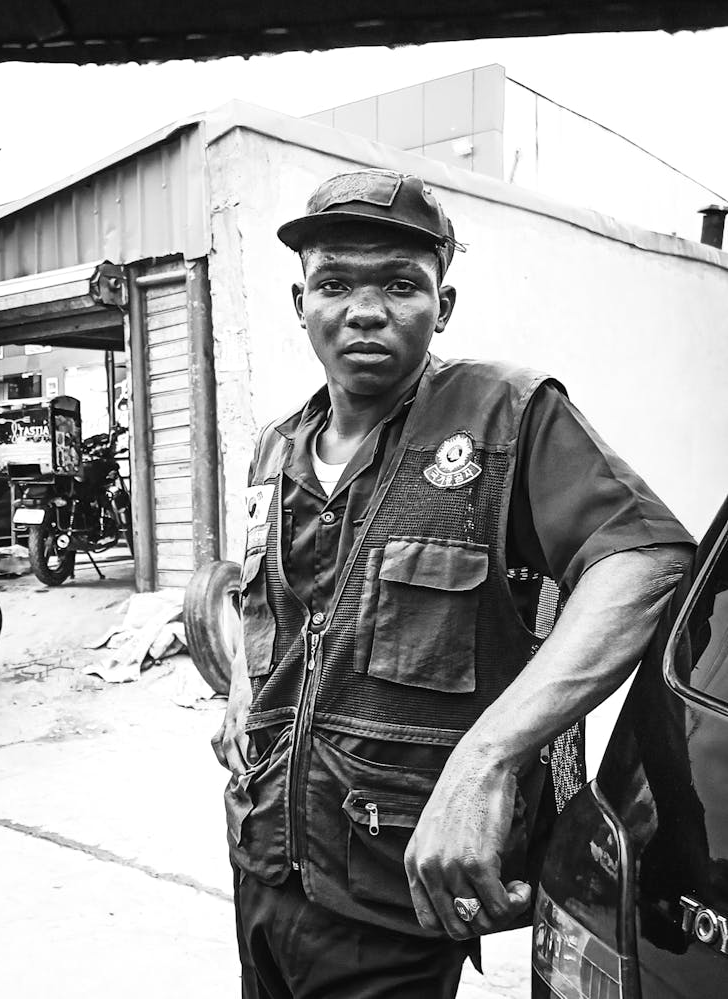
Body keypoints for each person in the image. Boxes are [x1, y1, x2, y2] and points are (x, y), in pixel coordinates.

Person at [212, 168, 694, 998]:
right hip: (260, 861)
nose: (364, 309)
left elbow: (645, 563)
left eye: (401, 284)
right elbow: (267, 601)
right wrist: (243, 685)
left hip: (390, 897)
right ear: (301, 304)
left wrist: (489, 756)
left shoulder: (505, 415)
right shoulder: (275, 446)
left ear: (445, 304)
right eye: (334, 282)